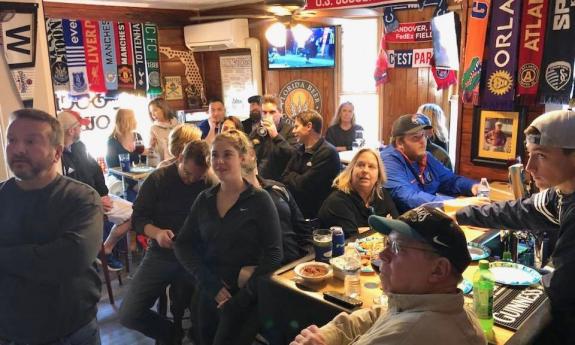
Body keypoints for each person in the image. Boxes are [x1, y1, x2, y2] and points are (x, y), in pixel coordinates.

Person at [456, 109, 575, 345]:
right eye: (529, 155)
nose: (529, 166)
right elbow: (520, 211)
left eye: (540, 155)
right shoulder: (562, 193)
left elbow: (564, 291)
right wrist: (461, 216)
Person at [290, 206, 486, 345]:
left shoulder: (408, 335)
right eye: (387, 243)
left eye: (396, 247)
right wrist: (326, 336)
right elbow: (379, 314)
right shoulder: (430, 303)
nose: (382, 255)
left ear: (438, 270)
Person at [0, 109, 103, 345]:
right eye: (12, 140)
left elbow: (70, 258)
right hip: (10, 331)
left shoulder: (82, 198)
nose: (18, 149)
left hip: (70, 331)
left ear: (57, 153)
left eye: (31, 141)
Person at [175, 131, 283, 345]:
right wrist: (208, 282)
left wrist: (243, 298)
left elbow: (274, 254)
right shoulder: (204, 199)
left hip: (245, 294)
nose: (220, 161)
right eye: (214, 155)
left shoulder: (260, 200)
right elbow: (182, 244)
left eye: (227, 155)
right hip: (209, 289)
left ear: (242, 158)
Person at [119, 141, 214, 345]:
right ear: (179, 158)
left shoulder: (207, 181)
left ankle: (195, 335)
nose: (191, 180)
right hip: (161, 253)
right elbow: (138, 219)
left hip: (194, 256)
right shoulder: (158, 179)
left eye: (197, 176)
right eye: (187, 173)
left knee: (209, 309)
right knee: (128, 313)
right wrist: (158, 233)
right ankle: (173, 334)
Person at [58, 110, 128, 270]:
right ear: (71, 130)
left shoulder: (79, 146)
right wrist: (95, 201)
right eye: (80, 127)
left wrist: (103, 195)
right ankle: (93, 255)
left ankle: (105, 249)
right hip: (81, 206)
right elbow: (68, 190)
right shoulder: (58, 155)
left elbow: (96, 171)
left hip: (97, 198)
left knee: (135, 212)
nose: (82, 129)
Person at [230, 129, 311, 263]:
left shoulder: (277, 188)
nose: (239, 158)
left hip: (296, 268)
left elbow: (303, 231)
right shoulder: (225, 202)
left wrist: (310, 259)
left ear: (252, 154)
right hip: (262, 275)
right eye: (229, 155)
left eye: (241, 151)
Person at [380, 114, 479, 213]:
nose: (423, 141)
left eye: (423, 135)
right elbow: (408, 197)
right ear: (400, 143)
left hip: (426, 218)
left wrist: (473, 187)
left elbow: (451, 180)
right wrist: (454, 203)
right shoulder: (388, 160)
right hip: (402, 224)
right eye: (416, 137)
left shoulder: (426, 157)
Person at [318, 148, 399, 237]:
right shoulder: (337, 202)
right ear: (351, 170)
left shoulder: (381, 194)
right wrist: (384, 228)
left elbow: (396, 227)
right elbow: (354, 239)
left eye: (371, 166)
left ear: (378, 174)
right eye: (360, 165)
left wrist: (364, 230)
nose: (365, 170)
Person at [282, 109, 341, 219]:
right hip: (299, 212)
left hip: (319, 216)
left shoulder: (328, 152)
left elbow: (304, 185)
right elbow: (284, 177)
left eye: (296, 127)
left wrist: (293, 175)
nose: (293, 131)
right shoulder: (300, 149)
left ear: (309, 126)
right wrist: (296, 177)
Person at [250, 94, 298, 180]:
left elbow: (294, 157)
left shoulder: (291, 131)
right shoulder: (257, 131)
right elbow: (250, 155)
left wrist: (276, 136)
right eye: (264, 112)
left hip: (281, 182)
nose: (268, 116)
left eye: (272, 112)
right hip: (259, 180)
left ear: (281, 113)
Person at [105, 108, 144, 200]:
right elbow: (112, 168)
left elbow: (142, 161)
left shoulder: (137, 136)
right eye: (133, 118)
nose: (136, 121)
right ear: (127, 121)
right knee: (133, 201)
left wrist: (147, 153)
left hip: (136, 177)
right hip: (119, 179)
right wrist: (133, 184)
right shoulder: (112, 141)